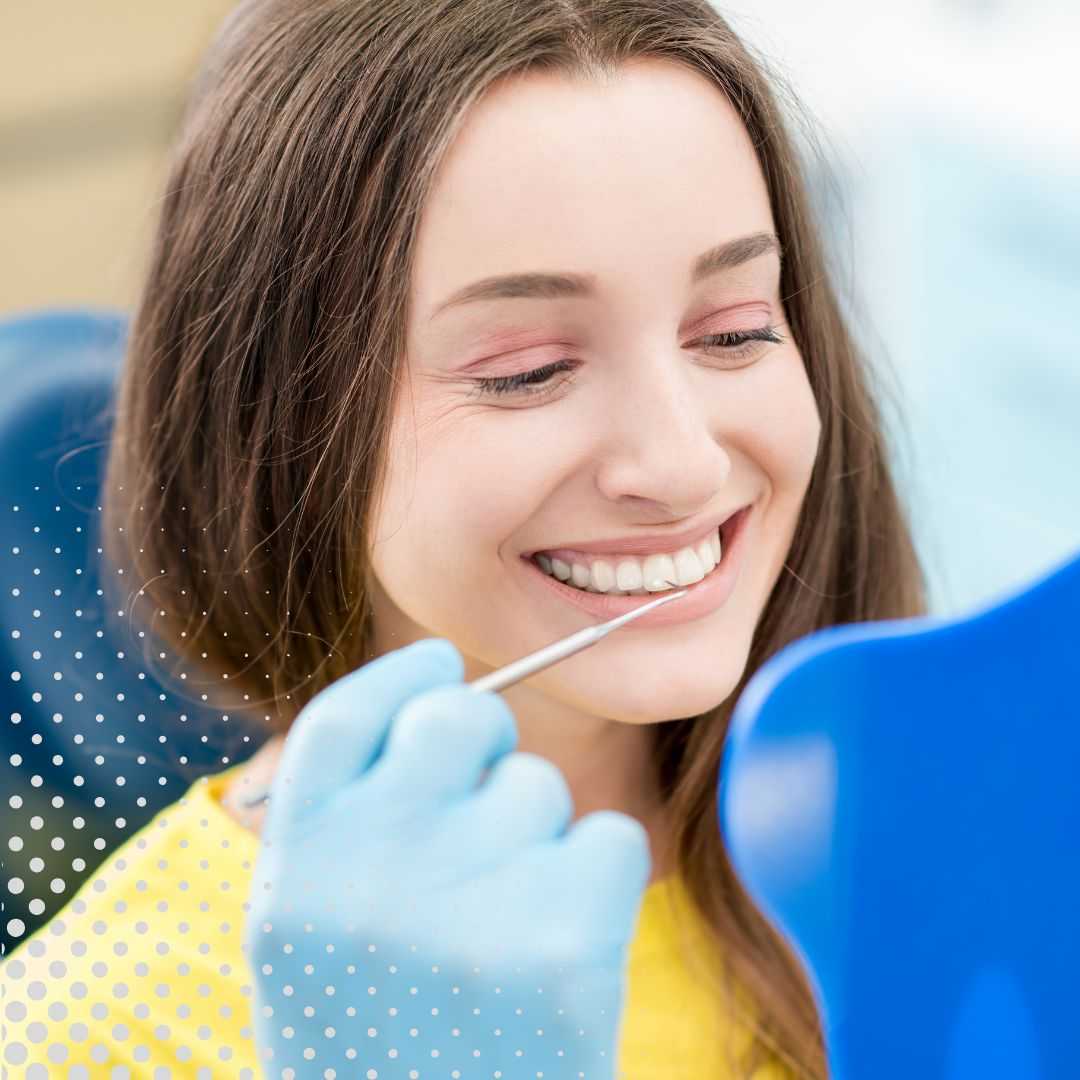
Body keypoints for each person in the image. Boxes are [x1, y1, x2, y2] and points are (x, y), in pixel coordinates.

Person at [0, 0, 926, 1076]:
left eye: (733, 332)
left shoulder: (930, 830)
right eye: (527, 370)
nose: (681, 464)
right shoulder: (88, 1036)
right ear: (281, 422)